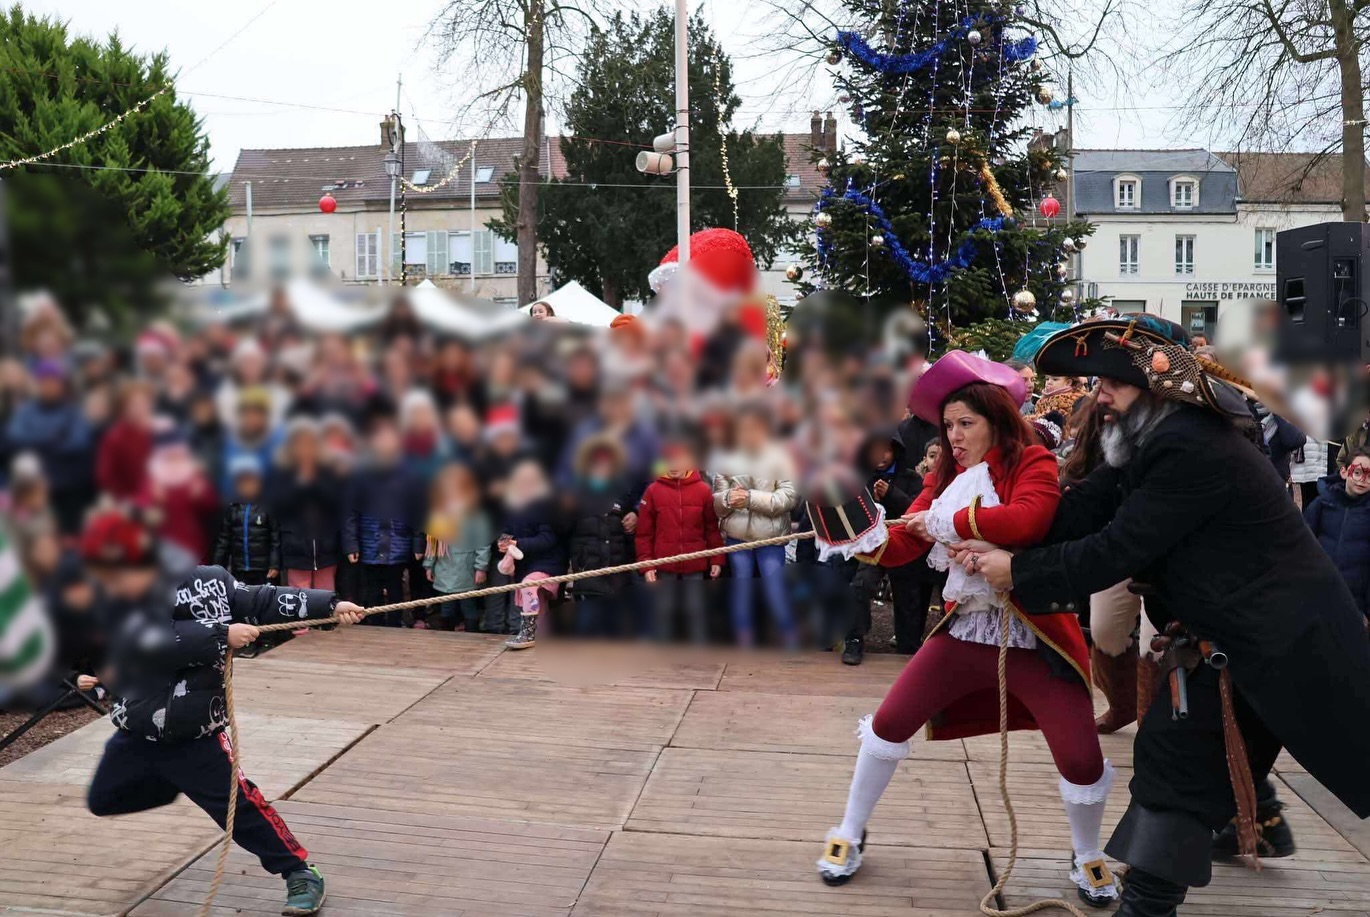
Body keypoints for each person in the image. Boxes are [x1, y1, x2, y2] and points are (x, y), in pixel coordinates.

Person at [975, 318, 1370, 916]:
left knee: (1176, 769)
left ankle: (1152, 899)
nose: (1099, 395)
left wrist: (1018, 573)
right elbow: (1083, 509)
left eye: (1112, 382)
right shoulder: (1155, 435)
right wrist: (990, 528)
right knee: (1176, 766)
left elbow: (1115, 550)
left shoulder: (1190, 445)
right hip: (1236, 644)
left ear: (1154, 385)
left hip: (1276, 648)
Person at [814, 351, 1116, 909]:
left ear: (996, 421)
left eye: (964, 423)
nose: (952, 435)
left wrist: (944, 522)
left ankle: (1086, 852)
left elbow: (1030, 519)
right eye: (947, 425)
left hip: (1035, 638)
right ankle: (850, 829)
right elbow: (904, 541)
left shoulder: (1034, 460)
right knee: (888, 724)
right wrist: (858, 530)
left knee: (1081, 759)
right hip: (967, 631)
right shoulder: (944, 477)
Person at [79, 507, 364, 917]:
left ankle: (300, 871)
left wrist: (329, 605)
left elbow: (262, 599)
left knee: (242, 810)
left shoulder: (211, 580)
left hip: (197, 732)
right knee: (104, 799)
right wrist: (219, 634)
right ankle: (169, 782)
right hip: (138, 729)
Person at [711, 405, 800, 649]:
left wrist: (749, 498)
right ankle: (743, 642)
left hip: (770, 537)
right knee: (741, 588)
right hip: (737, 536)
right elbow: (717, 504)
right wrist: (728, 499)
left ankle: (789, 639)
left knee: (775, 589)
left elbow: (788, 498)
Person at [844, 425, 928, 664]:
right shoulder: (859, 478)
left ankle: (909, 647)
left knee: (908, 596)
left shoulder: (911, 478)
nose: (880, 456)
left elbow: (916, 510)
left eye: (886, 450)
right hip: (873, 545)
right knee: (860, 586)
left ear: (896, 451)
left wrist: (891, 494)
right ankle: (855, 639)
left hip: (904, 545)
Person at [636, 436, 724, 643]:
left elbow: (712, 528)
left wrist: (717, 559)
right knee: (664, 611)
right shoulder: (653, 491)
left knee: (696, 610)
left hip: (695, 562)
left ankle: (699, 652)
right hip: (664, 562)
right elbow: (644, 533)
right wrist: (646, 565)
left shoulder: (703, 490)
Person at [342, 416, 427, 627]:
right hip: (369, 541)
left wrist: (418, 543)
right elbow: (350, 511)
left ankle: (395, 623)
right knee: (371, 589)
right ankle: (374, 624)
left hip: (399, 542)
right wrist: (351, 544)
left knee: (396, 587)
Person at [565, 436, 637, 637]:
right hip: (588, 572)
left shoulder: (622, 494)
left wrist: (635, 515)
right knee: (587, 625)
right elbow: (562, 530)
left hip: (617, 573)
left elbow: (629, 530)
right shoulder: (575, 494)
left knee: (616, 627)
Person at [268, 418, 343, 593]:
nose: (305, 449)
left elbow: (335, 503)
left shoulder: (328, 472)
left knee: (326, 596)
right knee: (299, 597)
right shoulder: (282, 474)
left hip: (326, 549)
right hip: (296, 549)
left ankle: (326, 622)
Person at [495, 459, 564, 649]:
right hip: (525, 565)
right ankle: (539, 637)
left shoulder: (547, 506)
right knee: (537, 607)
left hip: (548, 564)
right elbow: (506, 532)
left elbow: (548, 539)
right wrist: (504, 544)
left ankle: (527, 633)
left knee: (529, 586)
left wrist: (518, 543)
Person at [423, 464, 493, 633]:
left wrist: (481, 567)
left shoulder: (475, 514)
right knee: (447, 608)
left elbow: (483, 543)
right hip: (444, 567)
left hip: (466, 568)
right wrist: (428, 565)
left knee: (468, 607)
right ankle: (448, 638)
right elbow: (433, 544)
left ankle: (472, 636)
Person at [1304, 450, 1370, 621]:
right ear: (1344, 471)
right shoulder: (1323, 503)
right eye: (1357, 472)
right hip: (1317, 594)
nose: (1363, 480)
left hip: (1354, 602)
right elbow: (1302, 543)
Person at [213, 455, 280, 587]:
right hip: (239, 569)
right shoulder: (232, 508)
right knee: (242, 601)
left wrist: (274, 564)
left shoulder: (268, 507)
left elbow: (275, 540)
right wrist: (217, 567)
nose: (247, 486)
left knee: (263, 601)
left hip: (263, 569)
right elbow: (223, 541)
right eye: (243, 482)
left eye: (251, 481)